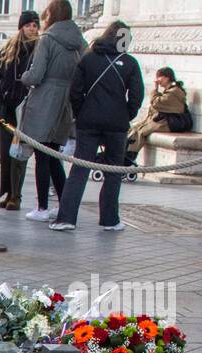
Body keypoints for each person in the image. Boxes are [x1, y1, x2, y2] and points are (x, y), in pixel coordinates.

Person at [50, 20, 142, 232]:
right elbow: (137, 96)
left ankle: (66, 218)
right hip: (117, 124)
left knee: (79, 170)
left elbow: (75, 91)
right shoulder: (129, 63)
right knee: (113, 171)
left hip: (88, 121)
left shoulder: (89, 59)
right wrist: (126, 114)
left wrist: (82, 113)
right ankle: (110, 219)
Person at [18, 0, 84, 222]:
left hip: (46, 98)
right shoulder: (79, 41)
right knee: (54, 153)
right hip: (66, 100)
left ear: (51, 16)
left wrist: (24, 78)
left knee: (41, 153)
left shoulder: (48, 39)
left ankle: (42, 206)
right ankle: (65, 204)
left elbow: (36, 74)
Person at [0, 9, 39, 209]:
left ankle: (16, 196)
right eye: (28, 25)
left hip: (27, 108)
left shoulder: (40, 49)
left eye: (35, 25)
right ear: (21, 27)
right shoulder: (10, 48)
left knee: (19, 153)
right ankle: (7, 192)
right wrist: (0, 86)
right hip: (7, 107)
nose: (32, 28)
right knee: (5, 153)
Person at [126, 67, 187, 163]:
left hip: (171, 122)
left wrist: (155, 89)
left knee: (142, 131)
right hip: (165, 120)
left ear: (167, 78)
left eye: (159, 77)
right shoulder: (170, 90)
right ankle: (125, 152)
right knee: (135, 128)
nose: (157, 80)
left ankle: (129, 157)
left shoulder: (174, 92)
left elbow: (156, 103)